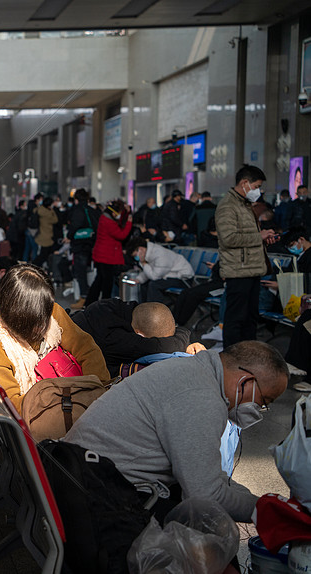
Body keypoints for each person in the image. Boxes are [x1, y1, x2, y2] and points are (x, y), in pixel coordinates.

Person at [65, 340, 288, 523]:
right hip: (99, 497)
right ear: (245, 381)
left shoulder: (195, 370)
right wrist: (272, 513)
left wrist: (260, 501)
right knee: (209, 535)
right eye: (264, 401)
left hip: (82, 476)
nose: (260, 410)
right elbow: (206, 496)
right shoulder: (201, 398)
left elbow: (209, 475)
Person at [0, 264, 110, 418]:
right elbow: (13, 405)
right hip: (43, 415)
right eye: (37, 322)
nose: (44, 325)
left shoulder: (44, 308)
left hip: (75, 399)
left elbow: (87, 348)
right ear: (18, 317)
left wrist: (97, 392)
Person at [215, 165, 276, 347]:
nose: (258, 191)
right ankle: (232, 359)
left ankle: (249, 355)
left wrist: (263, 240)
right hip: (238, 271)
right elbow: (228, 238)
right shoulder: (228, 206)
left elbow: (245, 237)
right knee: (236, 319)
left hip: (252, 269)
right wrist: (259, 236)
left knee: (250, 318)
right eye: (256, 186)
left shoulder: (245, 205)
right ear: (245, 183)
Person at [72, 299, 203, 376]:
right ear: (139, 334)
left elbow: (161, 321)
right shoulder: (116, 340)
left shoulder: (123, 309)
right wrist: (185, 342)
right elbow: (158, 346)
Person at [85, 199, 132, 306]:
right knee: (106, 282)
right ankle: (104, 304)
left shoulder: (105, 218)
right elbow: (121, 234)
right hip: (106, 256)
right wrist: (129, 223)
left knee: (100, 280)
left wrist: (127, 212)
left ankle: (90, 303)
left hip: (102, 255)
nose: (119, 215)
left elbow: (119, 221)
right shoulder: (108, 222)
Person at [125, 237, 194, 303]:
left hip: (183, 278)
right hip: (170, 276)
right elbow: (150, 271)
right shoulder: (149, 254)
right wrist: (138, 280)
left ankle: (154, 311)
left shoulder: (159, 254)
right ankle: (144, 309)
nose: (136, 258)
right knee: (144, 285)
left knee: (154, 285)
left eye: (135, 255)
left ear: (141, 249)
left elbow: (154, 276)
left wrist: (143, 263)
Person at [66, 189, 100, 310]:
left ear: (76, 199)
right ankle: (91, 296)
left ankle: (84, 297)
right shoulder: (91, 210)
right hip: (91, 244)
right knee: (92, 271)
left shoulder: (77, 211)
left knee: (80, 272)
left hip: (80, 245)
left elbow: (74, 226)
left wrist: (69, 236)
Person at [31, 196, 59, 269]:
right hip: (46, 237)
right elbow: (55, 220)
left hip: (40, 235)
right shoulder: (47, 213)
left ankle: (35, 266)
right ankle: (34, 267)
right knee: (43, 255)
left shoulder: (39, 210)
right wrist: (52, 210)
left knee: (41, 254)